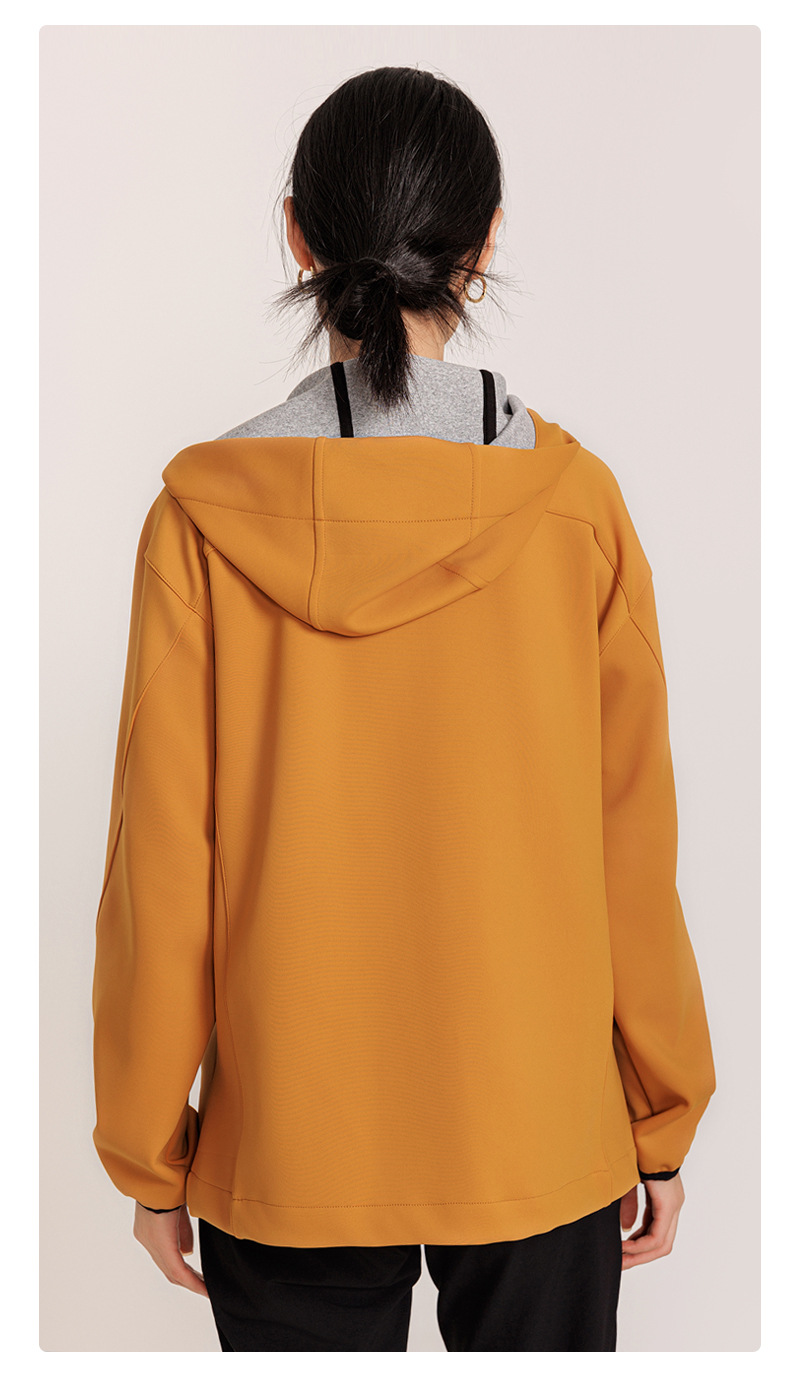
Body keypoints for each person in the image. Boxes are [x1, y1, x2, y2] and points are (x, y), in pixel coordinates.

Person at [91, 65, 716, 1352]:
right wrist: (658, 1114)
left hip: (291, 1143)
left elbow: (162, 864)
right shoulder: (574, 507)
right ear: (482, 246)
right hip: (538, 1130)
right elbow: (630, 844)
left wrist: (151, 1153)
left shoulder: (200, 522)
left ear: (296, 236)